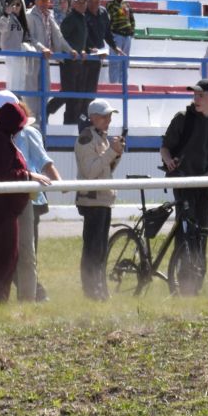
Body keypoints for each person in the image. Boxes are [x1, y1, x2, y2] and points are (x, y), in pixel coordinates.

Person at [0, 90, 58, 302]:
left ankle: (26, 299)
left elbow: (44, 160)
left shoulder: (28, 134)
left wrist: (58, 182)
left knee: (25, 252)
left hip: (21, 200)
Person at [161, 80, 208, 244]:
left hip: (204, 182)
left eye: (201, 95)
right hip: (182, 180)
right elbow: (165, 147)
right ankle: (181, 268)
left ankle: (199, 269)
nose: (196, 99)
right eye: (195, 95)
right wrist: (169, 160)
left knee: (203, 229)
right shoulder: (182, 118)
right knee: (185, 229)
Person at [75, 98, 126, 299]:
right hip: (93, 201)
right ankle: (91, 290)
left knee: (101, 249)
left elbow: (106, 169)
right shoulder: (86, 138)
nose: (109, 120)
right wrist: (112, 152)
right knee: (93, 249)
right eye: (105, 116)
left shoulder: (100, 137)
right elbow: (90, 172)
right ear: (93, 117)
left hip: (101, 200)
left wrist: (117, 154)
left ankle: (98, 289)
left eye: (110, 116)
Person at [104, 0, 136, 89]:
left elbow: (131, 19)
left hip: (126, 36)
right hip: (116, 35)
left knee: (124, 63)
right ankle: (113, 86)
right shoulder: (110, 4)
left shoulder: (127, 5)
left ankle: (123, 86)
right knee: (114, 62)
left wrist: (131, 31)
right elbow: (109, 17)